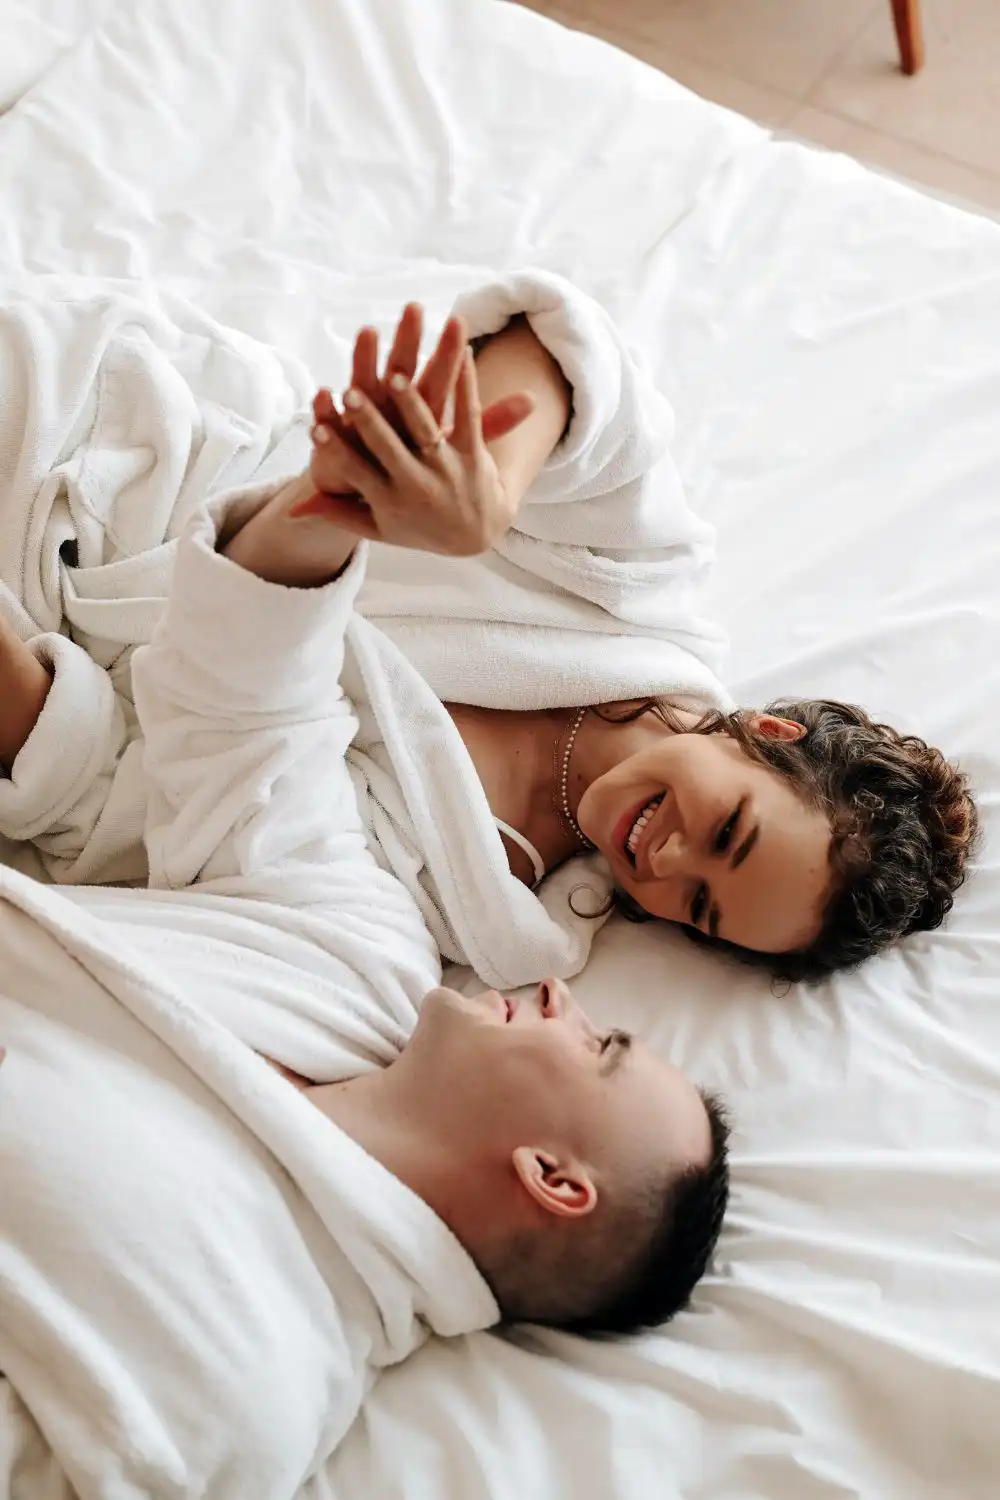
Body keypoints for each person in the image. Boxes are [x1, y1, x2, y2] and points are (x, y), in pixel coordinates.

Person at [0, 467, 729, 1496]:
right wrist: (334, 508)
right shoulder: (361, 961)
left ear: (554, 1179)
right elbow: (246, 719)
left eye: (600, 1050)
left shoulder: (244, 1378)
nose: (570, 1002)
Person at [0, 274, 978, 989]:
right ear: (770, 737)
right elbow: (569, 360)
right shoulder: (632, 599)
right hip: (118, 461)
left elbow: (207, 779)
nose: (667, 866)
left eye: (701, 910)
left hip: (56, 696)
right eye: (726, 832)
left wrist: (338, 510)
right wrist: (487, 493)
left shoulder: (479, 911)